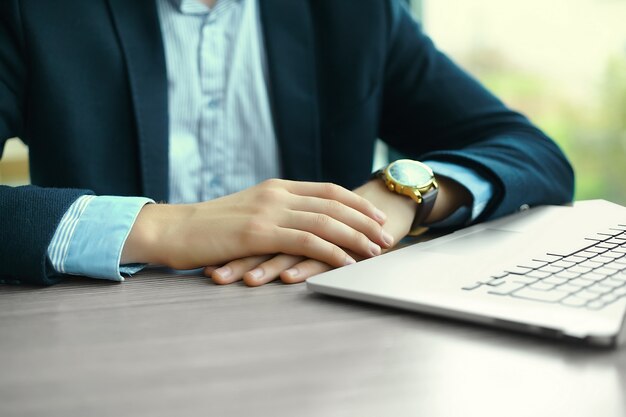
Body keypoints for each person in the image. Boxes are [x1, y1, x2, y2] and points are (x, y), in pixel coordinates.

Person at [0, 0, 574, 286]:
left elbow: (529, 150)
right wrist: (162, 229)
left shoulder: (354, 14)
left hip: (317, 346)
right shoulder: (34, 13)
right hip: (99, 352)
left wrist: (402, 195)